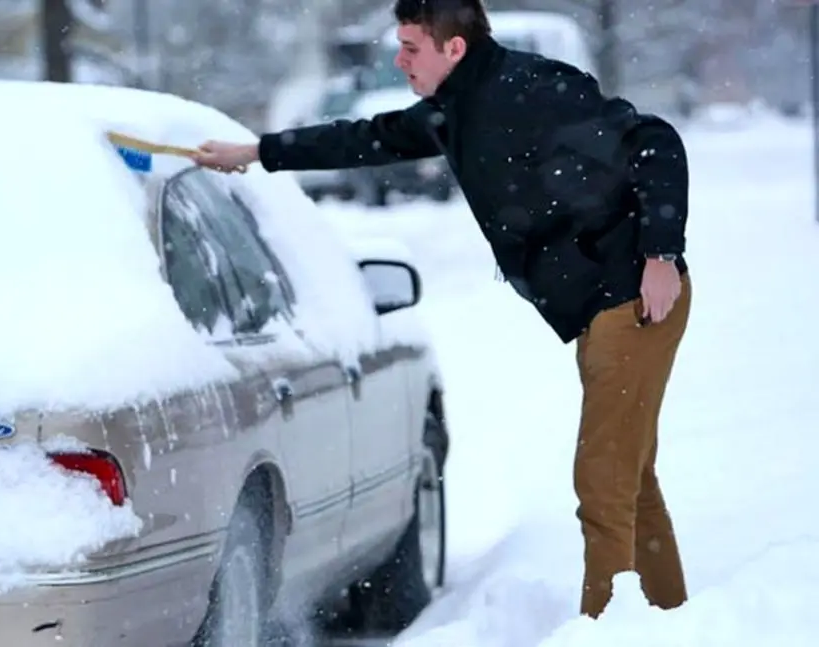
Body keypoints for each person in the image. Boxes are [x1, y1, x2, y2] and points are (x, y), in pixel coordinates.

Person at [192, 0, 692, 620]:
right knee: (629, 475)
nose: (399, 60)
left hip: (635, 296)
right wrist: (259, 152)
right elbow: (365, 138)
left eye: (410, 48)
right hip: (599, 304)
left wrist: (661, 254)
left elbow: (654, 141)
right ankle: (669, 616)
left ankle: (605, 628)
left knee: (603, 478)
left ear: (453, 49)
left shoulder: (532, 87)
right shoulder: (456, 110)